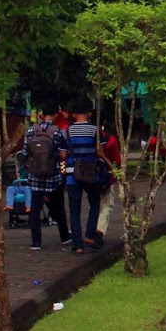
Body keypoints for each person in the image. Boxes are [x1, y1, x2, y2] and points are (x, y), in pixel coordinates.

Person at [15, 106, 69, 251]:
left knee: (35, 208)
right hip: (53, 175)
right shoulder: (59, 132)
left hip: (35, 176)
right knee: (58, 207)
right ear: (56, 115)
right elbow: (63, 155)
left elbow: (25, 153)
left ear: (41, 115)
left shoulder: (31, 131)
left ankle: (36, 242)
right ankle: (64, 236)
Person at [64, 101, 108, 254]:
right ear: (89, 114)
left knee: (74, 210)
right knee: (94, 203)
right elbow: (100, 151)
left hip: (71, 174)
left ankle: (78, 245)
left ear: (74, 114)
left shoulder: (67, 131)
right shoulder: (95, 130)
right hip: (91, 173)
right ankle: (89, 234)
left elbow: (63, 154)